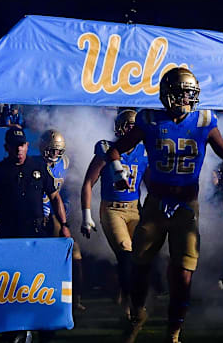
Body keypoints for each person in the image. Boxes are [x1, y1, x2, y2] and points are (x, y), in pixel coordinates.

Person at [105, 67, 223, 343]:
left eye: (191, 94)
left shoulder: (204, 120)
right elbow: (115, 149)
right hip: (155, 203)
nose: (188, 99)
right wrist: (118, 170)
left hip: (187, 206)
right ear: (168, 94)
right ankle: (137, 313)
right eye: (183, 93)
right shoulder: (149, 120)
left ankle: (174, 333)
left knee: (184, 274)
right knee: (140, 265)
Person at [0, 128, 70, 343]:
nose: (19, 149)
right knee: (11, 283)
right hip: (9, 234)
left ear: (27, 146)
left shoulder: (38, 167)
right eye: (14, 145)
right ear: (6, 147)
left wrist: (64, 224)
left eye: (22, 145)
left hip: (37, 233)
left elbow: (54, 197)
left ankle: (45, 329)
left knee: (41, 281)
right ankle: (14, 330)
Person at [80, 109, 150, 320]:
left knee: (139, 258)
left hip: (135, 209)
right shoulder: (107, 148)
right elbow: (88, 184)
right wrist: (86, 215)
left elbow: (148, 182)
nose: (131, 130)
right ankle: (129, 307)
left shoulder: (143, 151)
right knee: (125, 252)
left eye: (134, 126)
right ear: (120, 127)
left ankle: (127, 295)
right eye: (128, 125)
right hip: (112, 209)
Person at [38, 129, 86, 312]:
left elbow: (69, 190)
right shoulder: (35, 164)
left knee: (74, 254)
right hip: (40, 216)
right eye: (51, 150)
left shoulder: (65, 164)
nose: (55, 154)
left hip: (58, 215)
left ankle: (75, 298)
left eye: (58, 150)